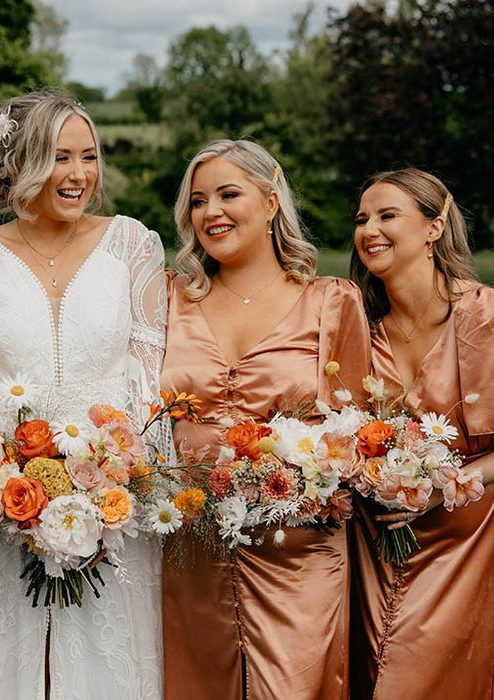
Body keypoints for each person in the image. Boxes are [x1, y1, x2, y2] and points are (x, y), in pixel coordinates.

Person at [0, 92, 168, 699]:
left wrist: (126, 484)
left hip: (117, 498)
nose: (78, 174)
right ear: (21, 161)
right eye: (59, 157)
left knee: (109, 651)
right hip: (5, 499)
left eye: (88, 157)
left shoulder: (133, 245)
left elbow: (147, 378)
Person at [160, 139, 370, 700]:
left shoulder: (332, 302)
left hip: (298, 552)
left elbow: (358, 428)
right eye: (198, 201)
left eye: (230, 194)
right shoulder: (167, 298)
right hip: (190, 548)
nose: (212, 212)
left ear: (272, 201)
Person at [349, 168, 494, 698]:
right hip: (376, 547)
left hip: (469, 544)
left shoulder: (490, 318)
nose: (369, 228)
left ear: (434, 226)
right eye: (362, 218)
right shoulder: (357, 330)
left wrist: (448, 484)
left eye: (387, 215)